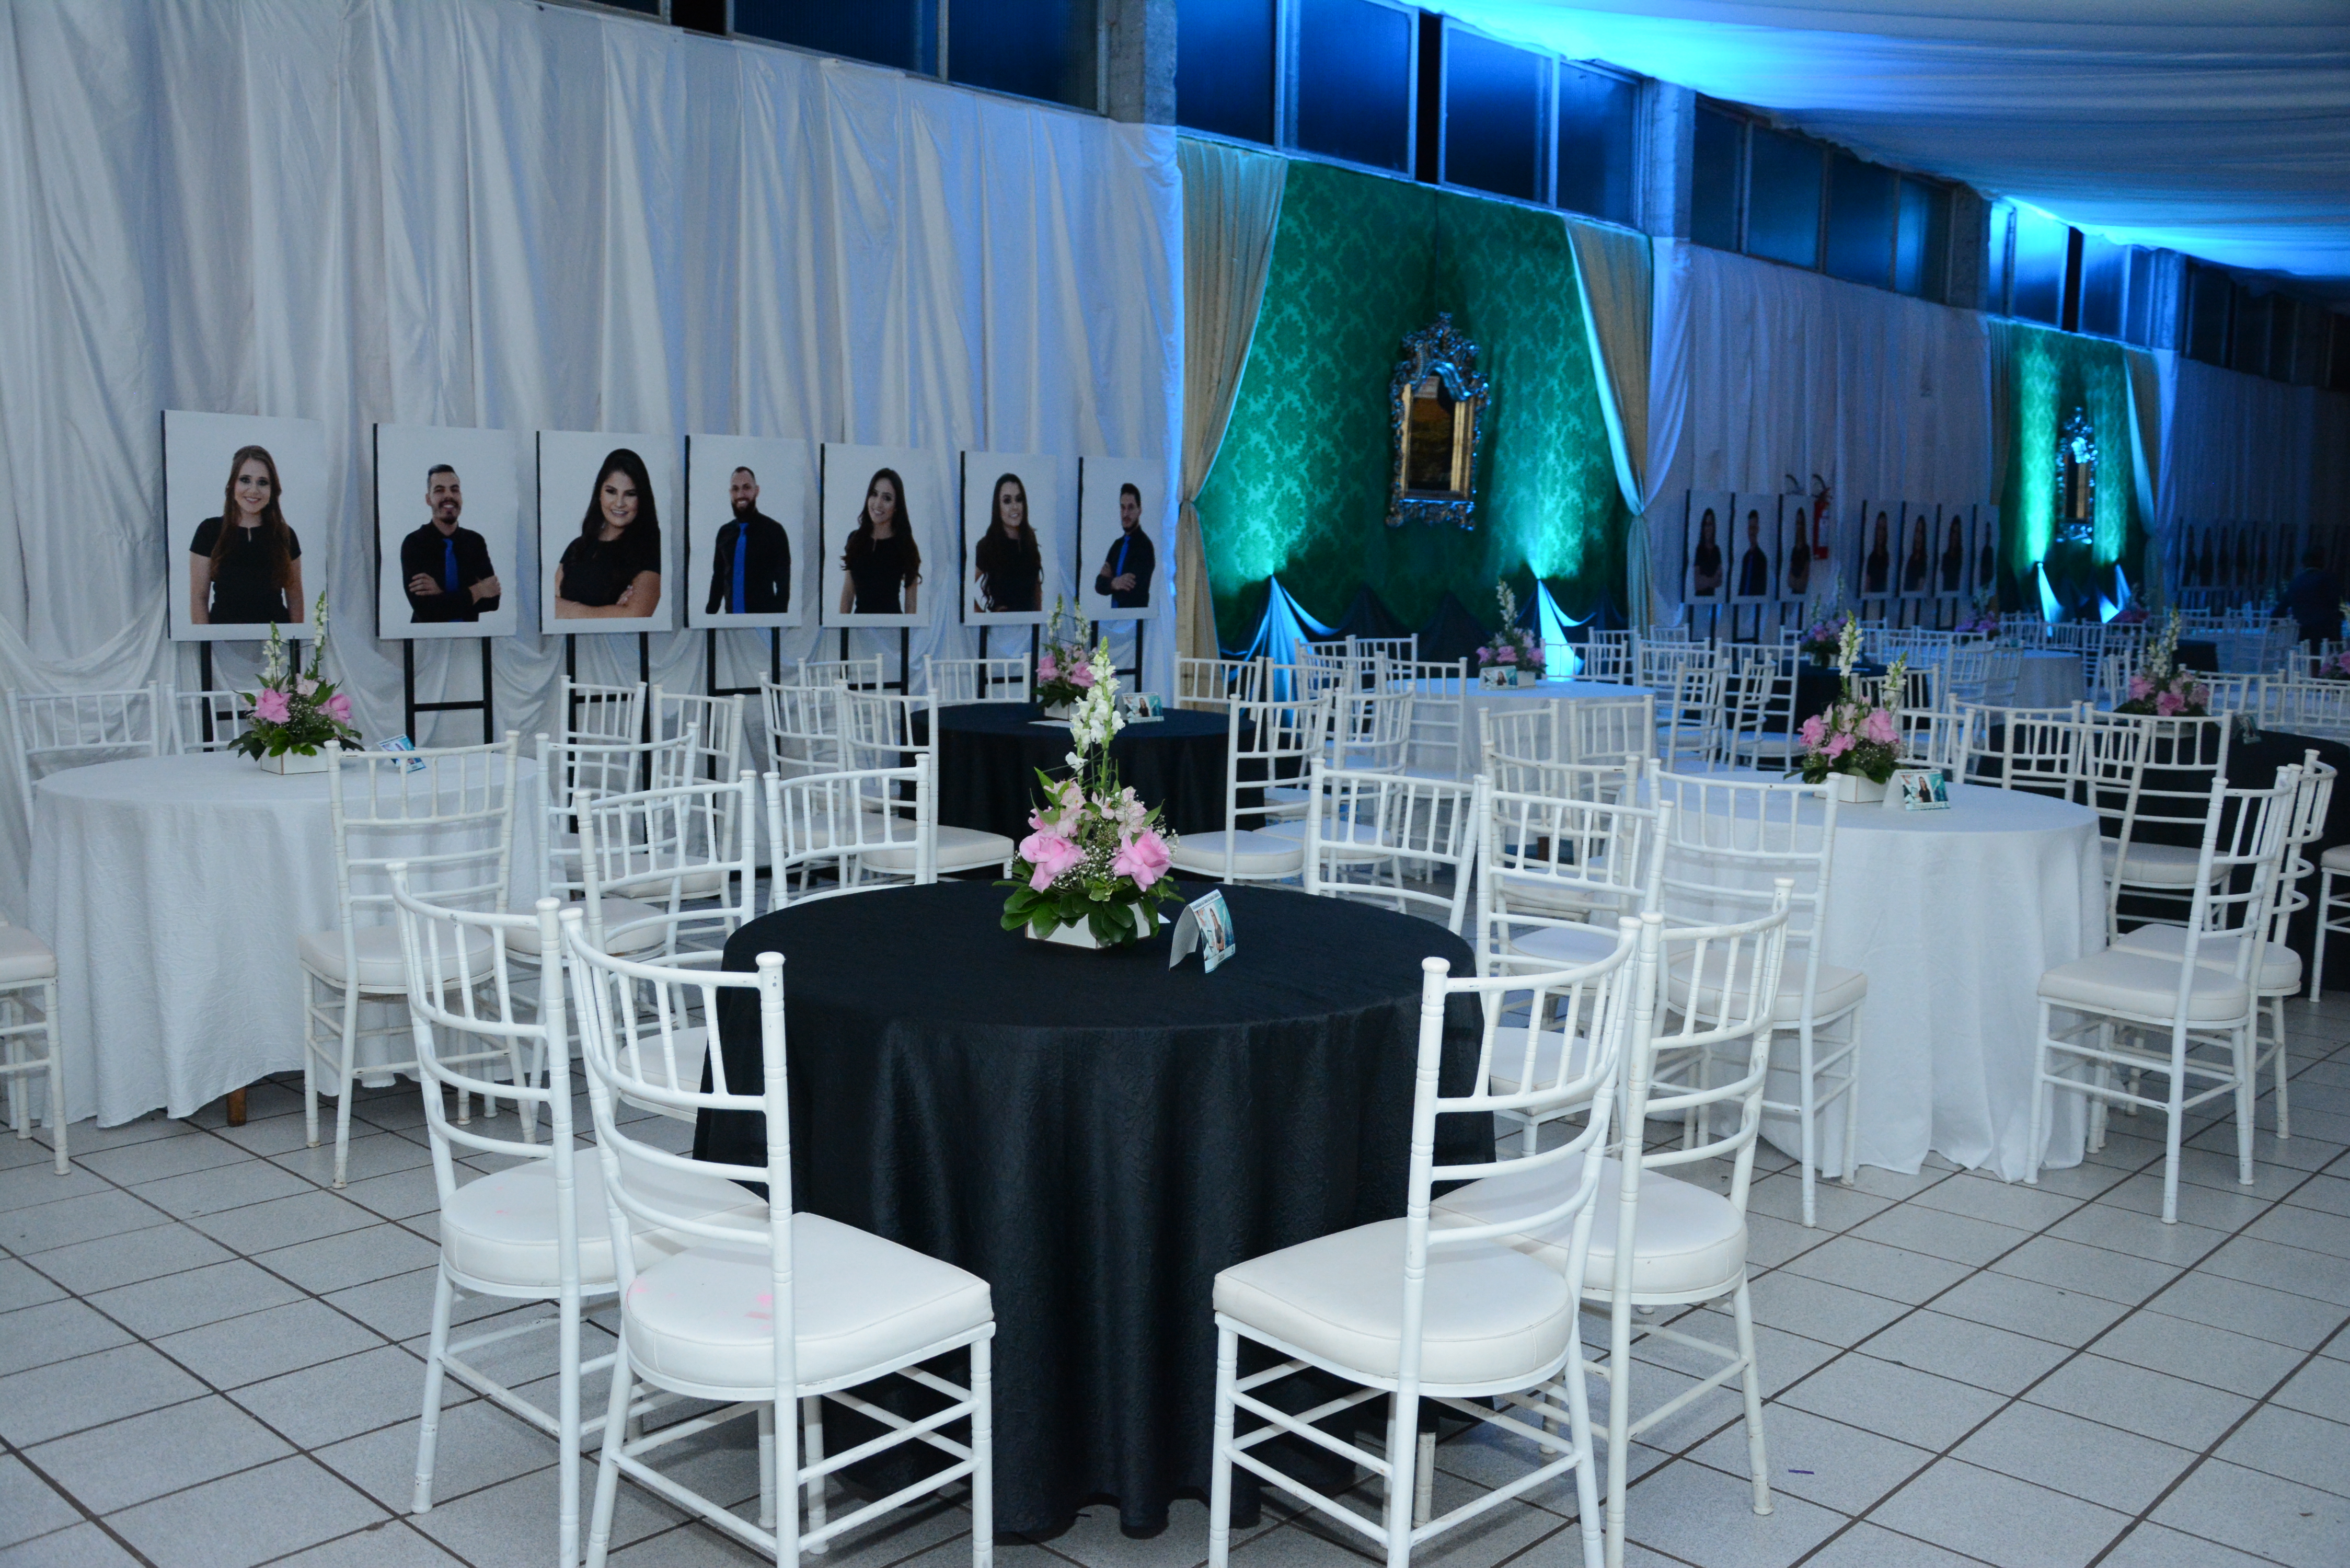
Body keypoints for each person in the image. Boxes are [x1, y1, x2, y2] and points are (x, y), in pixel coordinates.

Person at [188, 445, 304, 626]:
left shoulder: (285, 534)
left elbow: (295, 597)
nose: (254, 490)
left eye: (263, 482)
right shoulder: (209, 531)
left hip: (276, 645)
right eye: (245, 480)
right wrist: (206, 645)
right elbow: (199, 597)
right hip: (223, 642)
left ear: (273, 490)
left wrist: (294, 648)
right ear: (232, 484)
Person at [555, 448, 662, 620]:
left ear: (642, 499)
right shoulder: (578, 547)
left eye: (630, 494)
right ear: (599, 494)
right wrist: (609, 612)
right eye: (611, 491)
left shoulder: (651, 550)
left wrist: (567, 610)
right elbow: (548, 608)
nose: (619, 503)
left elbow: (634, 616)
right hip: (569, 646)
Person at [399, 464, 501, 625]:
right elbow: (426, 611)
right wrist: (479, 590)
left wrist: (442, 594)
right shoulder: (414, 543)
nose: (449, 495)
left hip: (470, 638)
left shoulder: (475, 542)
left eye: (454, 489)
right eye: (440, 490)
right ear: (428, 499)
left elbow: (493, 602)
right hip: (426, 642)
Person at [702, 466, 791, 616]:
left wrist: (776, 623)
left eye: (747, 488)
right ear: (730, 493)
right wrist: (709, 619)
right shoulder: (724, 533)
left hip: (762, 625)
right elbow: (718, 579)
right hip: (731, 625)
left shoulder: (774, 531)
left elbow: (783, 586)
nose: (740, 495)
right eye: (735, 489)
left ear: (757, 490)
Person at [839, 467, 921, 615]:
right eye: (874, 494)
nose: (878, 504)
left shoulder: (905, 544)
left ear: (897, 506)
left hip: (893, 632)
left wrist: (907, 637)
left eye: (887, 498)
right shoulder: (855, 539)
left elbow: (911, 602)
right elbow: (848, 592)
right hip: (858, 631)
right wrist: (842, 633)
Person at [972, 472, 1042, 614]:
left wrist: (1039, 620)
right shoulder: (987, 546)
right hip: (1000, 631)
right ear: (998, 506)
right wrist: (984, 617)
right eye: (1007, 501)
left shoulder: (1029, 540)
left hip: (1029, 629)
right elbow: (964, 589)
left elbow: (1036, 589)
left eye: (1019, 499)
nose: (1015, 507)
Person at [1094, 483, 1155, 609]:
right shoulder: (1117, 546)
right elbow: (1099, 585)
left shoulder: (1145, 546)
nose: (1126, 514)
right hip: (1113, 621)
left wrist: (1110, 582)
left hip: (1136, 622)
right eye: (1123, 508)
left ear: (1140, 510)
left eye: (1131, 507)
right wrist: (1115, 583)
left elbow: (1132, 592)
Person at [2278, 548, 2341, 645]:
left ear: (2303, 564)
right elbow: (2336, 603)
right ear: (2322, 563)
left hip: (2303, 632)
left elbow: (2282, 606)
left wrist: (2274, 621)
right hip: (2328, 633)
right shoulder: (2328, 579)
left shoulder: (2296, 582)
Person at [1735, 510, 1769, 598]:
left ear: (1758, 530)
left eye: (1754, 528)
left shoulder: (1762, 559)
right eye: (1750, 528)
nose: (1752, 532)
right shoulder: (1746, 557)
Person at [1690, 509, 1722, 597]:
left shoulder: (1717, 551)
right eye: (1706, 525)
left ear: (1714, 527)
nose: (1708, 528)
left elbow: (1719, 582)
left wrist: (1704, 580)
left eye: (1710, 525)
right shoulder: (1699, 550)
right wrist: (1712, 580)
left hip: (1713, 598)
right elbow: (1697, 584)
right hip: (1699, 597)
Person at [1863, 513, 1891, 595]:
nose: (1881, 533)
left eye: (1884, 529)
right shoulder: (1872, 558)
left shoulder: (1887, 557)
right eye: (1879, 528)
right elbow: (1867, 587)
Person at [1901, 515, 1930, 593]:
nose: (1918, 537)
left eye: (1921, 533)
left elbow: (1919, 589)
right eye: (1917, 531)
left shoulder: (1923, 562)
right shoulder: (1911, 558)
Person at [1785, 516, 1811, 597]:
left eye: (1801, 524)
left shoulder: (1806, 549)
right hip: (1794, 585)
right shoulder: (1794, 549)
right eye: (1798, 524)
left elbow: (1807, 569)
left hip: (1801, 587)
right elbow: (1791, 568)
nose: (1799, 527)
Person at [1940, 515, 1965, 594]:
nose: (1955, 537)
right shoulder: (1945, 557)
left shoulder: (1961, 558)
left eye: (1958, 533)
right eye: (1954, 532)